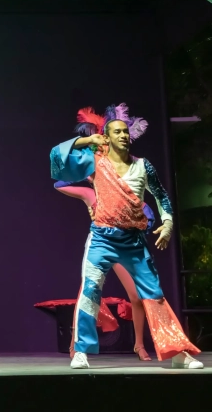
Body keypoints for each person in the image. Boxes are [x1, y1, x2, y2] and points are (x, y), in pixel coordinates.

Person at [51, 103, 203, 369]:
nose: (123, 135)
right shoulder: (95, 162)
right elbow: (57, 157)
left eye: (125, 132)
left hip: (133, 241)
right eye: (117, 132)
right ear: (107, 137)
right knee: (90, 290)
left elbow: (162, 196)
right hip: (101, 239)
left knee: (154, 295)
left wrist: (167, 223)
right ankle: (81, 351)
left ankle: (178, 352)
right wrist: (88, 140)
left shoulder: (143, 166)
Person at [53, 106, 153, 361]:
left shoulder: (127, 180)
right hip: (103, 243)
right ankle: (77, 344)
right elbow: (59, 182)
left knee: (137, 296)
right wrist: (89, 167)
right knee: (87, 294)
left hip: (126, 244)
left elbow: (147, 212)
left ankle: (139, 344)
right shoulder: (90, 192)